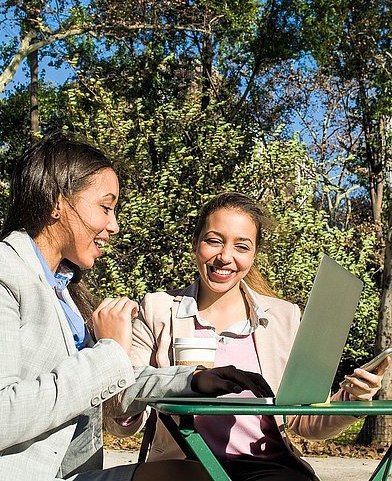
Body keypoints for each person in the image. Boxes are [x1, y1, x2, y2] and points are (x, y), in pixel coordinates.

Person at [0, 137, 272, 481]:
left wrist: (194, 380)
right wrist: (110, 351)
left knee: (194, 475)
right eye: (106, 208)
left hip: (77, 473)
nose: (114, 225)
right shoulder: (1, 271)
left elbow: (105, 391)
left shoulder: (64, 289)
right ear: (56, 202)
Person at [117, 192, 390, 481]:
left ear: (254, 254)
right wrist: (119, 366)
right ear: (195, 243)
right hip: (184, 468)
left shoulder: (284, 317)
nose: (225, 257)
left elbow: (305, 419)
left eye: (241, 246)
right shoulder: (158, 310)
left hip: (267, 469)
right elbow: (123, 420)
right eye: (214, 241)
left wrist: (352, 399)